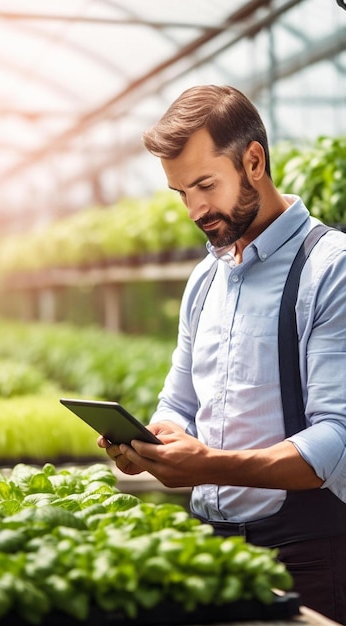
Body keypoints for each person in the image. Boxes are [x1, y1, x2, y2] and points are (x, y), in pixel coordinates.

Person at [98, 85, 346, 623]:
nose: (194, 210)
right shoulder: (206, 278)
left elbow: (336, 440)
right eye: (180, 192)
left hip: (305, 556)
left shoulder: (331, 269)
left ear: (253, 160)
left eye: (205, 185)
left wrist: (210, 465)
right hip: (211, 549)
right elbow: (179, 399)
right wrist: (152, 441)